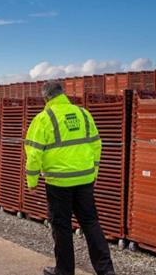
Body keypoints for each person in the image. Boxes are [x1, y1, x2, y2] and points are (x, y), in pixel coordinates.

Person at [24, 81, 115, 275]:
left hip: (59, 182)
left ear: (46, 98)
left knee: (62, 226)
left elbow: (33, 154)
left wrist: (32, 181)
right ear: (63, 93)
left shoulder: (43, 118)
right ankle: (107, 271)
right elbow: (96, 145)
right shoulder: (83, 114)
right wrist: (94, 173)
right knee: (91, 223)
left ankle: (64, 271)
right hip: (85, 180)